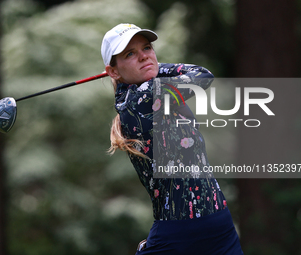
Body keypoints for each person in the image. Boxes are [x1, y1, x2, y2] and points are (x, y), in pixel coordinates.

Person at [101, 23, 243, 255]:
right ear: (113, 71)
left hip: (219, 227)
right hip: (179, 236)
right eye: (130, 53)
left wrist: (144, 66)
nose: (143, 56)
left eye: (147, 48)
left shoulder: (151, 90)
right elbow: (202, 75)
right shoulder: (140, 100)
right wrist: (153, 67)